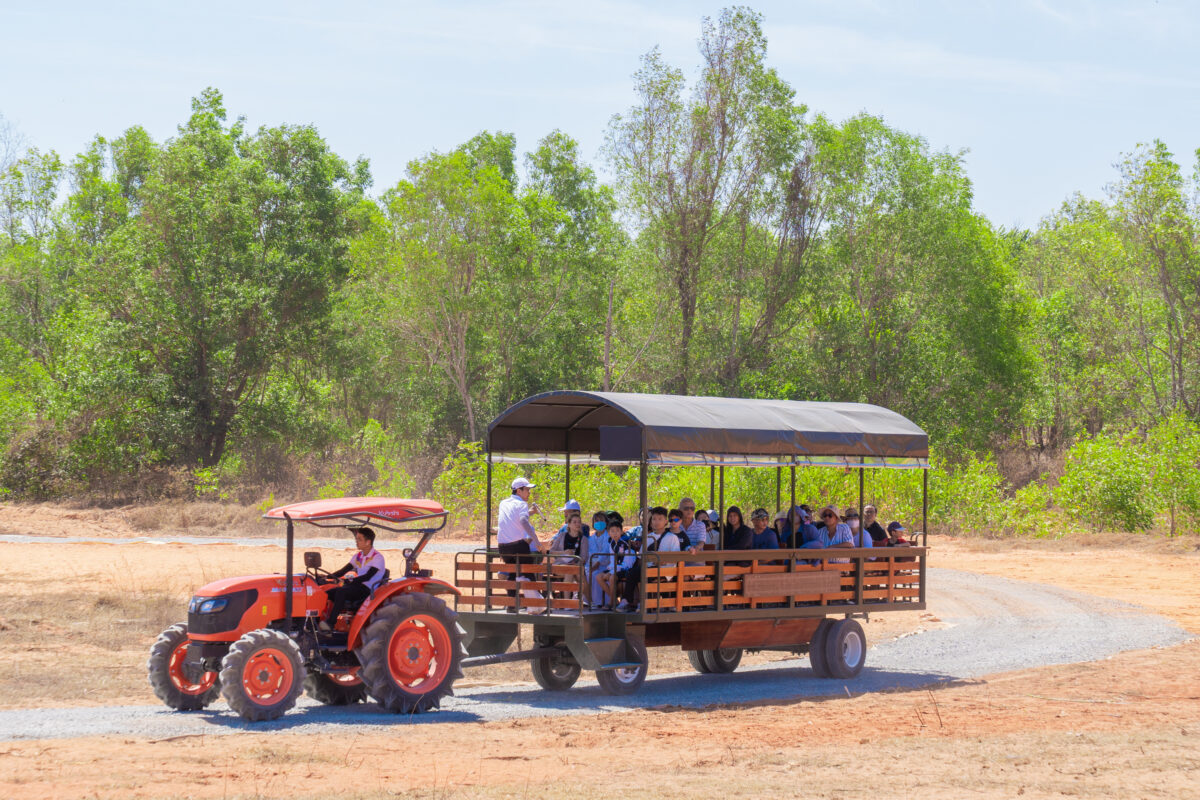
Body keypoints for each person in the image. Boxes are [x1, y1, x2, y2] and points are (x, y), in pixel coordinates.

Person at [321, 526, 386, 629]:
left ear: (368, 542)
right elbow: (344, 570)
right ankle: (316, 622)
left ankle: (330, 623)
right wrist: (327, 577)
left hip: (367, 590)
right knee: (325, 594)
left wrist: (349, 581)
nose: (356, 541)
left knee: (341, 592)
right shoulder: (358, 556)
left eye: (359, 539)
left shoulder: (377, 557)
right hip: (356, 586)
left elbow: (367, 577)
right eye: (356, 539)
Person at [496, 477, 549, 602]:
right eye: (527, 490)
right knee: (528, 572)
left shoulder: (503, 503)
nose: (529, 493)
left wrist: (529, 512)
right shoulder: (522, 504)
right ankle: (535, 604)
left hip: (503, 547)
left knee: (512, 573)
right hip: (518, 546)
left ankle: (511, 604)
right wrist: (537, 542)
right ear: (519, 491)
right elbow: (523, 520)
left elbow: (512, 517)